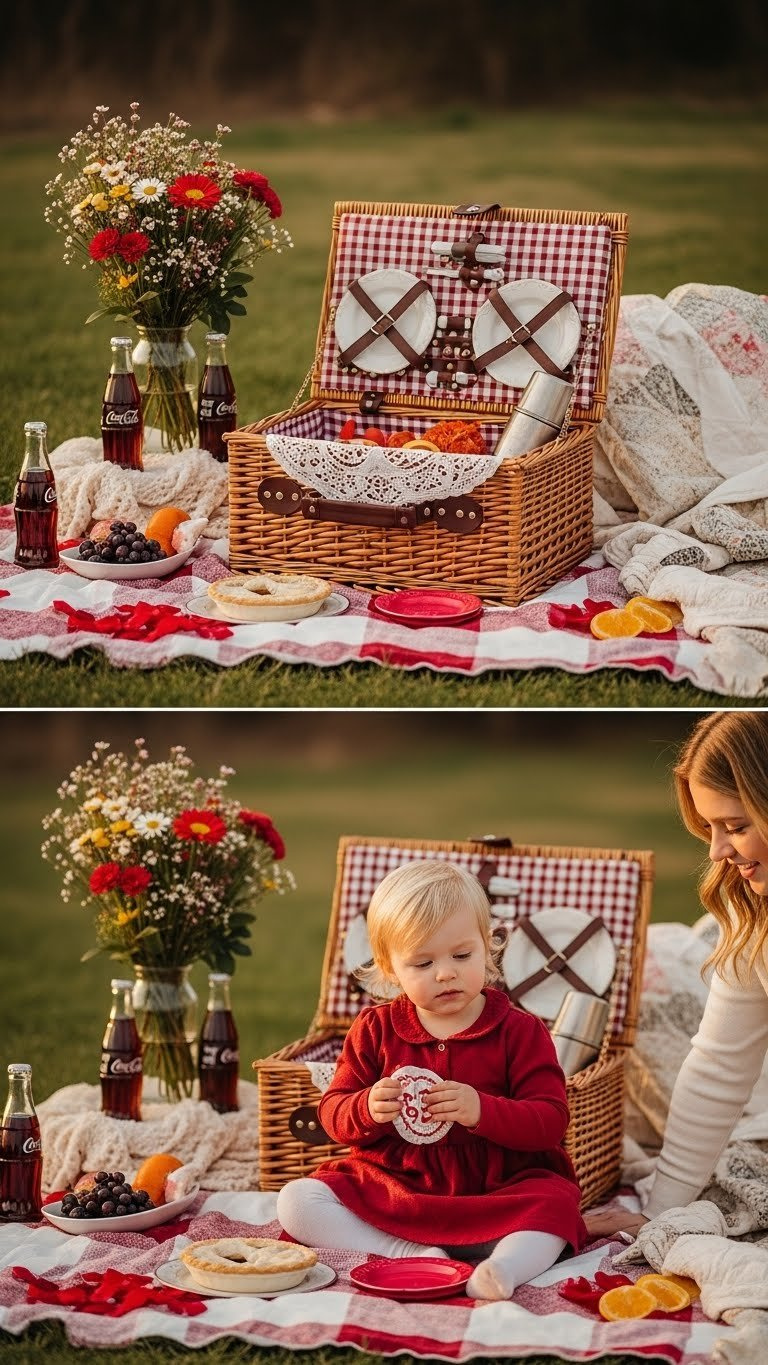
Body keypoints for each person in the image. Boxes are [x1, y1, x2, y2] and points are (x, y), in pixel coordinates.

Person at [277, 859, 586, 1300]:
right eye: (422, 962)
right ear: (389, 969)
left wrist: (482, 1109)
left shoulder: (520, 1031)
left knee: (555, 1205)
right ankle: (410, 1251)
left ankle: (502, 1269)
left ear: (488, 946)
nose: (446, 973)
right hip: (398, 1190)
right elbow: (333, 1112)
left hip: (497, 1192)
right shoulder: (375, 1029)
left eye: (462, 955)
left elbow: (550, 1120)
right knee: (297, 1201)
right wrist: (366, 1107)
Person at [585, 709, 768, 1241]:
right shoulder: (752, 917)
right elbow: (718, 1067)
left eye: (735, 826)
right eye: (709, 828)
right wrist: (662, 1212)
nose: (716, 851)